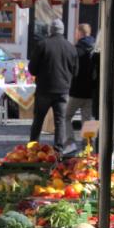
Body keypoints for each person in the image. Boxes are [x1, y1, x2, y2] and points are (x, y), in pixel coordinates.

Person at [28, 19, 77, 154]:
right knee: (60, 121)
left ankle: (33, 149)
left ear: (50, 30)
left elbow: (32, 69)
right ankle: (58, 151)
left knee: (38, 120)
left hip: (44, 89)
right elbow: (76, 71)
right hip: (62, 90)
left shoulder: (42, 45)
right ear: (63, 30)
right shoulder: (71, 47)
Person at [65, 23, 96, 149]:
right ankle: (88, 144)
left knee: (65, 117)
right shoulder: (96, 49)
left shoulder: (75, 49)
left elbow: (71, 69)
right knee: (87, 119)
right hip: (91, 91)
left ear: (79, 33)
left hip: (76, 90)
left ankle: (70, 142)